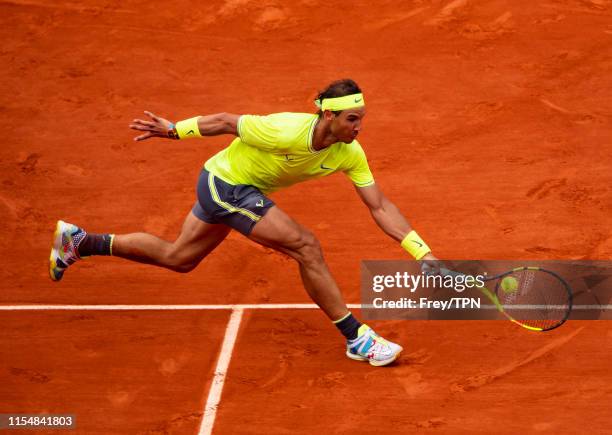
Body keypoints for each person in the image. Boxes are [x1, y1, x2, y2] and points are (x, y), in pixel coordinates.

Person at [49, 79, 439, 367]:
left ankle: (80, 242)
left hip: (233, 188)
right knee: (306, 246)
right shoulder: (284, 129)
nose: (359, 127)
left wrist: (422, 254)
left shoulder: (349, 153)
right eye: (353, 119)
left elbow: (380, 205)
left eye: (361, 119)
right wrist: (173, 130)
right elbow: (223, 122)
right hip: (226, 184)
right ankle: (357, 338)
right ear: (329, 114)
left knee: (178, 257)